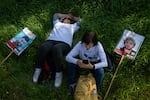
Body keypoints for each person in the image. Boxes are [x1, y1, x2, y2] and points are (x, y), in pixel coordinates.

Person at [32, 13, 82, 88]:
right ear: (62, 19)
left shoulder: (73, 26)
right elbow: (55, 15)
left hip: (64, 43)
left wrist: (72, 17)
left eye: (69, 19)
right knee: (43, 47)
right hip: (51, 40)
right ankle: (38, 69)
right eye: (66, 18)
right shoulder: (57, 23)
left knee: (56, 49)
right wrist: (65, 15)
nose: (67, 19)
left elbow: (81, 20)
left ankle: (59, 73)